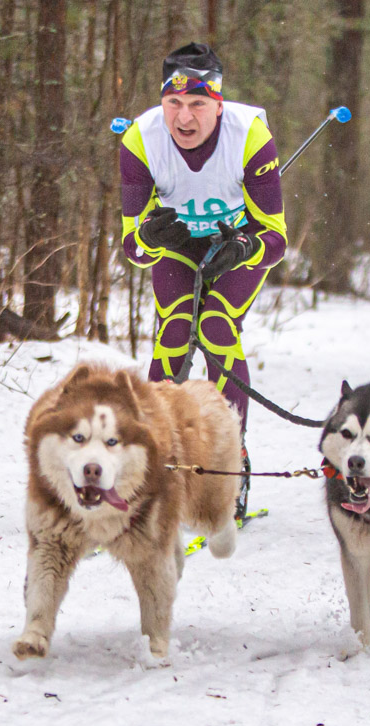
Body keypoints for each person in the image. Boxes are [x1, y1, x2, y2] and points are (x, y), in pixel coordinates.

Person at [119, 42, 287, 520]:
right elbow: (133, 246)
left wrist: (244, 248)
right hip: (178, 245)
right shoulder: (139, 140)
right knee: (174, 331)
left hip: (237, 242)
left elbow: (276, 239)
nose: (184, 117)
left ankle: (230, 462)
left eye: (197, 103)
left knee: (216, 327)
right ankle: (153, 463)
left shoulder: (250, 136)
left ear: (218, 104)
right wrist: (149, 235)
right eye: (173, 102)